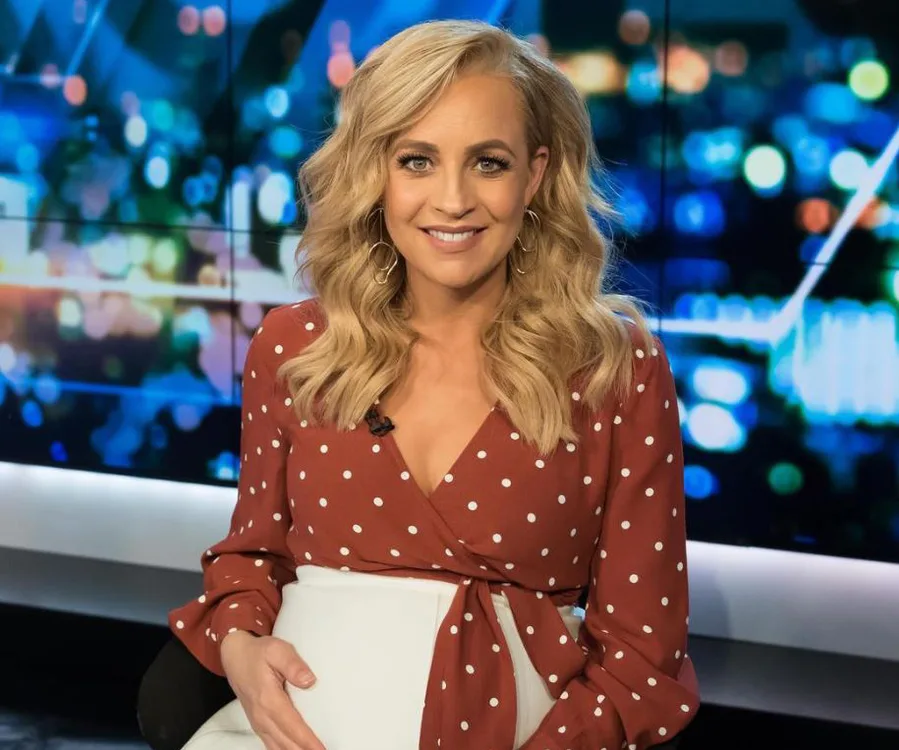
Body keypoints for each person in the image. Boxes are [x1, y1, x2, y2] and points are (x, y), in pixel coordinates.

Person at [137, 18, 699, 750]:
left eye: (487, 163)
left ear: (533, 175)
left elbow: (642, 658)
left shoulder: (613, 367)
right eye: (417, 160)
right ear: (376, 173)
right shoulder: (298, 345)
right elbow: (252, 555)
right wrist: (240, 648)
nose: (453, 199)